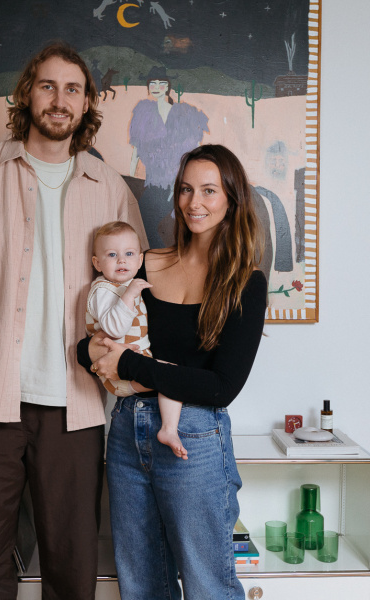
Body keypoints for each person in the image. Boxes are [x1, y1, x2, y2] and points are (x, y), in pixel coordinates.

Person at [0, 41, 146, 600]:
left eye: (73, 89)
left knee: (72, 566)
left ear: (87, 103)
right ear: (26, 93)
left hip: (77, 406)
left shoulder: (109, 188)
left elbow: (136, 290)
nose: (59, 99)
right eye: (48, 85)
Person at [79, 144, 267, 599]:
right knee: (141, 583)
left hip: (195, 439)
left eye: (208, 190)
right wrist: (94, 351)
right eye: (186, 189)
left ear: (231, 198)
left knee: (208, 586)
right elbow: (95, 342)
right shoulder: (143, 263)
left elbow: (221, 387)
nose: (194, 202)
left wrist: (127, 364)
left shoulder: (246, 281)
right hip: (126, 433)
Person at [86, 220, 186, 459]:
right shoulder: (103, 289)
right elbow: (112, 328)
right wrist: (130, 294)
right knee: (172, 376)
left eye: (129, 254)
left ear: (140, 261)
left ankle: (169, 429)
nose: (122, 260)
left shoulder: (127, 285)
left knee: (171, 376)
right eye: (112, 255)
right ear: (97, 263)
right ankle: (169, 429)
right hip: (117, 375)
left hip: (133, 366)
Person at [129, 66, 209, 246]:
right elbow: (136, 147)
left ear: (167, 87)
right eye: (153, 83)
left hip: (177, 182)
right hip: (153, 180)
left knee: (143, 220)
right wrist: (131, 173)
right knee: (138, 220)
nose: (157, 86)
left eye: (161, 83)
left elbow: (194, 149)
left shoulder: (183, 113)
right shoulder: (143, 111)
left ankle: (160, 257)